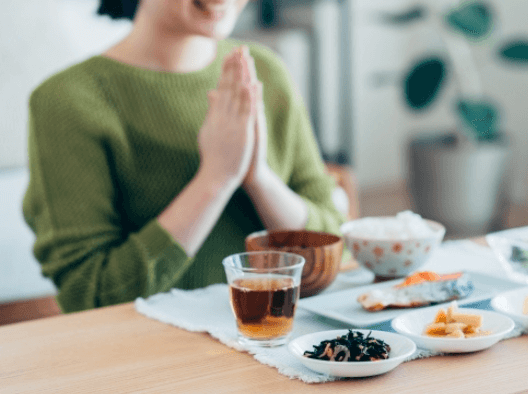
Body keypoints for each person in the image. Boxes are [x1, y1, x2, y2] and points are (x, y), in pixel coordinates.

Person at [22, 0, 345, 313]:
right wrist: (215, 179)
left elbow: (333, 241)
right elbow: (89, 294)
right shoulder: (66, 102)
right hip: (153, 358)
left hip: (276, 344)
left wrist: (259, 178)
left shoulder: (267, 71)